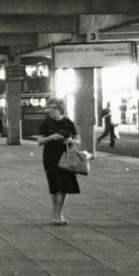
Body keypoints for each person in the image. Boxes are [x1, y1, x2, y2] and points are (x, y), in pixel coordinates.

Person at [37, 97, 80, 226]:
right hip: (51, 158)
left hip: (67, 157)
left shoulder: (68, 123)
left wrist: (70, 141)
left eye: (54, 108)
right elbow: (39, 141)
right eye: (49, 108)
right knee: (55, 186)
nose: (51, 110)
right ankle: (56, 214)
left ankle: (59, 213)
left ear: (61, 109)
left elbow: (77, 139)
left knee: (65, 186)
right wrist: (51, 137)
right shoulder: (46, 123)